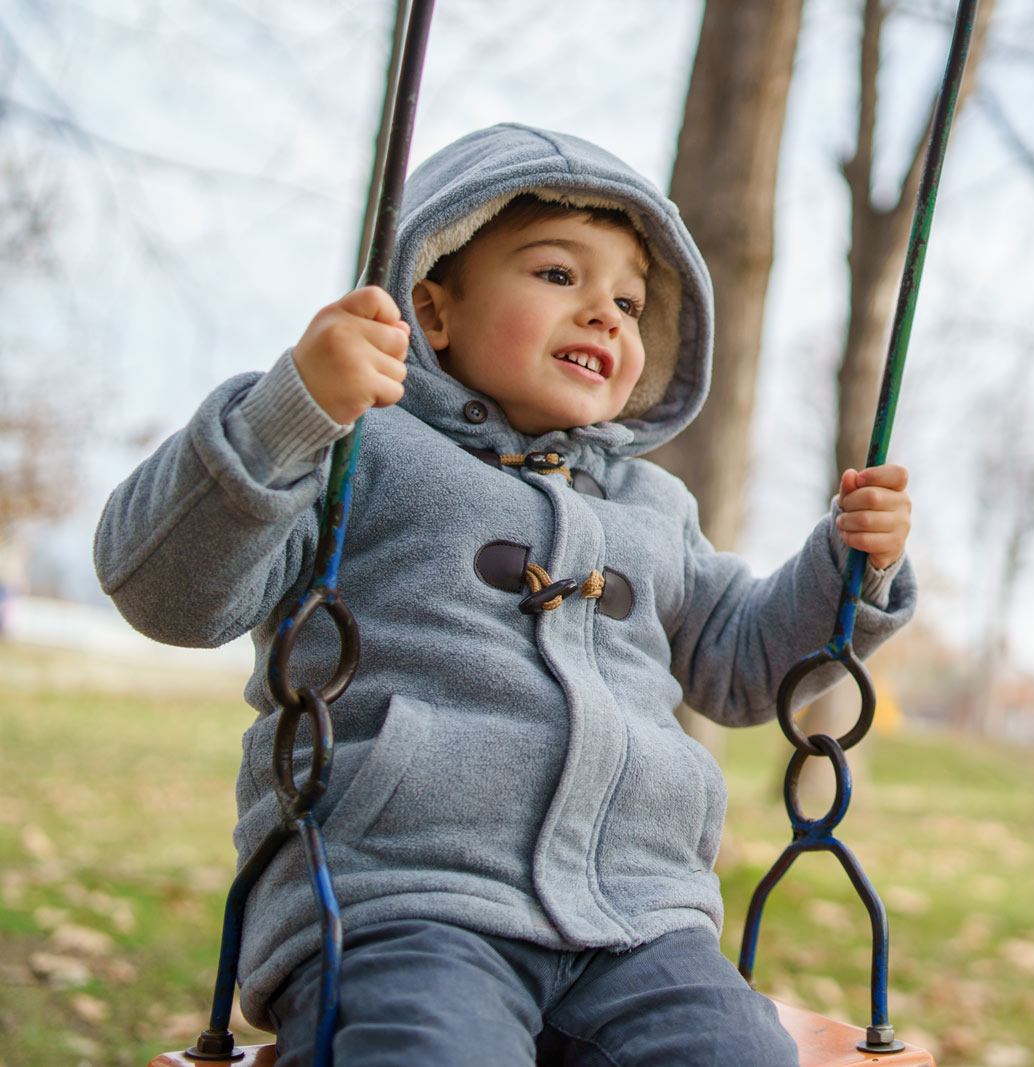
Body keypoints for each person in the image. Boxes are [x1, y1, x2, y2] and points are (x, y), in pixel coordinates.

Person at [94, 124, 915, 1066]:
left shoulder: (654, 508)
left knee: (739, 1054)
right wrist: (290, 413)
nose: (607, 314)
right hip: (401, 900)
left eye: (630, 300)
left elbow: (746, 665)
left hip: (639, 920)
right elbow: (169, 596)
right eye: (558, 275)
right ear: (432, 309)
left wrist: (853, 566)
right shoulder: (363, 449)